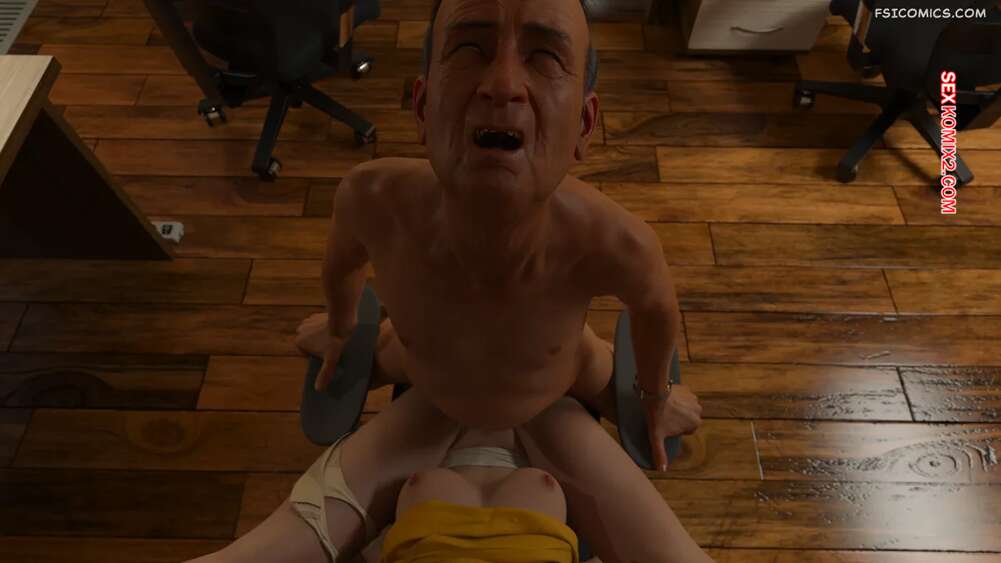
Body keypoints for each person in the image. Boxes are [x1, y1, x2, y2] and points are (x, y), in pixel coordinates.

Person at [190, 0, 711, 561]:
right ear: (422, 107)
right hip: (426, 373)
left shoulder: (616, 242)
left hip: (555, 386)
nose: (503, 84)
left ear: (583, 125)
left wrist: (654, 395)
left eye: (543, 57)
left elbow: (656, 308)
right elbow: (341, 266)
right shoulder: (370, 199)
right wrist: (341, 328)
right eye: (468, 49)